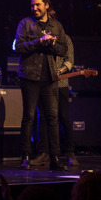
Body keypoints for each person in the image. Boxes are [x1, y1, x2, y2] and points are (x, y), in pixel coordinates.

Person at [14, 0, 67, 171]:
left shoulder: (56, 26)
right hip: (30, 77)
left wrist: (52, 44)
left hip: (50, 78)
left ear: (46, 5)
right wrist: (39, 41)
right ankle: (25, 157)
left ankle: (55, 158)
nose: (34, 8)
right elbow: (18, 47)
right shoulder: (25, 23)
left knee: (52, 118)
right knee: (28, 117)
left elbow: (63, 49)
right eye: (32, 6)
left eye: (37, 5)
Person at [32, 33, 79, 167]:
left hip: (60, 84)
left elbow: (69, 60)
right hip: (42, 83)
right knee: (42, 117)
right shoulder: (39, 38)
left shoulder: (65, 38)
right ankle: (44, 153)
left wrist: (59, 71)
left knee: (63, 117)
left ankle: (70, 153)